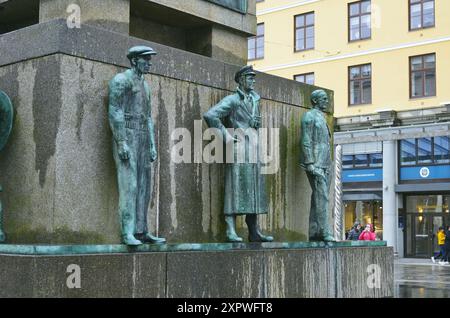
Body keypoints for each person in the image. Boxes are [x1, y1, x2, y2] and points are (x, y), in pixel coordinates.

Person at [203, 66, 273, 243]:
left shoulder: (256, 100)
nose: (253, 81)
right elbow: (210, 115)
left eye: (253, 78)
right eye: (249, 78)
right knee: (235, 188)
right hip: (239, 148)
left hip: (254, 148)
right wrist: (226, 136)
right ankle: (230, 230)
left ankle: (253, 231)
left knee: (254, 189)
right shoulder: (233, 99)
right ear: (241, 79)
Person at [109, 46, 166, 246]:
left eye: (150, 60)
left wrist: (151, 143)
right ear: (134, 60)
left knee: (144, 186)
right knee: (130, 185)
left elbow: (149, 117)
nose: (149, 64)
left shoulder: (146, 85)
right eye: (145, 60)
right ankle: (127, 232)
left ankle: (142, 231)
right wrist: (121, 141)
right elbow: (115, 111)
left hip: (142, 135)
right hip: (128, 134)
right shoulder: (121, 80)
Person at [300, 89, 334, 242]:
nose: (327, 102)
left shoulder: (322, 116)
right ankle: (325, 231)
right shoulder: (309, 116)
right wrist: (310, 163)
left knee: (318, 198)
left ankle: (315, 232)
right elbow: (306, 140)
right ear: (315, 101)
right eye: (324, 99)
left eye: (327, 99)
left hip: (326, 162)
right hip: (316, 164)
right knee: (322, 197)